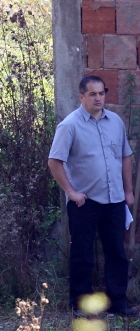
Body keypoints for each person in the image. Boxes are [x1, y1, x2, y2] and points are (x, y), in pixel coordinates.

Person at [48, 75, 137, 317]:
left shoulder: (115, 122)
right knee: (83, 254)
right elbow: (55, 161)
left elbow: (125, 157)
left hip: (114, 200)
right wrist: (71, 192)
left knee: (116, 253)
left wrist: (128, 192)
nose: (98, 98)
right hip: (84, 202)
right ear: (82, 97)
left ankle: (118, 303)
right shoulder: (70, 125)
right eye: (93, 94)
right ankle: (81, 305)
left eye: (101, 93)